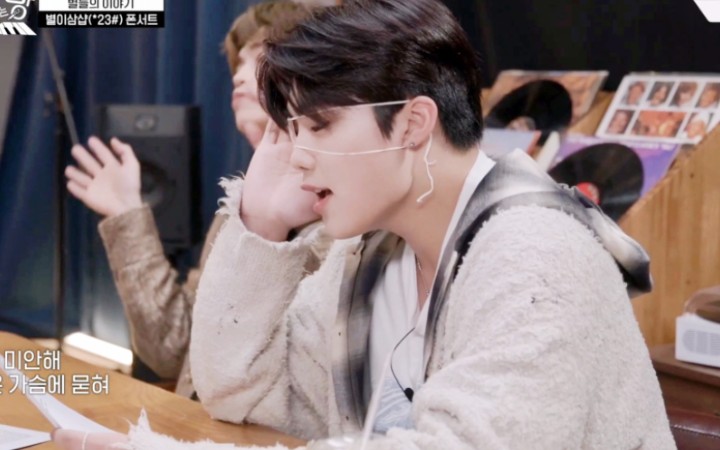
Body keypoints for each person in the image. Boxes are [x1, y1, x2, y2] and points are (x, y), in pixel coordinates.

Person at [54, 0, 676, 448]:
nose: (295, 155)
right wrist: (262, 225)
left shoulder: (538, 254)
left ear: (411, 123)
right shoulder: (371, 251)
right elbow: (239, 392)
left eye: (317, 125)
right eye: (289, 130)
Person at [62, 0, 317, 398]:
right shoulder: (237, 203)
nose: (238, 76)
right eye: (237, 64)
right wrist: (127, 215)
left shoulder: (338, 210)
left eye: (257, 58)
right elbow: (174, 348)